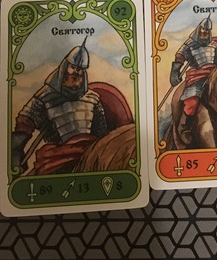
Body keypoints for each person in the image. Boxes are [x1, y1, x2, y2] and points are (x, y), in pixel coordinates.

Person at [10, 38, 131, 175]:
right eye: (73, 67)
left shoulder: (92, 99)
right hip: (57, 158)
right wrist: (15, 158)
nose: (76, 72)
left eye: (80, 69)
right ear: (65, 67)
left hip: (87, 155)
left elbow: (101, 135)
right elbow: (23, 127)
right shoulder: (45, 96)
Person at [170, 17, 217, 144]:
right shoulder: (190, 44)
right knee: (192, 102)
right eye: (203, 30)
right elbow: (180, 56)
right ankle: (184, 127)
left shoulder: (214, 45)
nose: (205, 33)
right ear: (199, 30)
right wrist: (175, 71)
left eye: (207, 31)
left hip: (212, 76)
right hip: (197, 77)